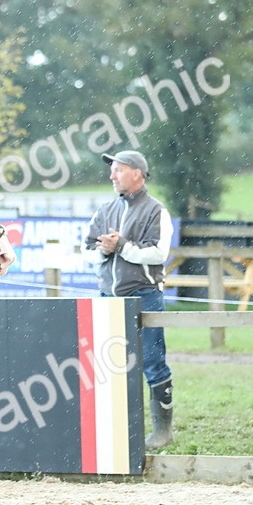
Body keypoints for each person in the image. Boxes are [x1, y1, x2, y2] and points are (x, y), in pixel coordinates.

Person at [82, 149, 175, 450]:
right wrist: (103, 251)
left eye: (118, 170)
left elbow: (158, 253)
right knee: (105, 368)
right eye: (113, 170)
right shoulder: (104, 210)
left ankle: (163, 431)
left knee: (151, 362)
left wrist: (120, 245)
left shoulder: (156, 210)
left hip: (144, 296)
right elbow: (85, 250)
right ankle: (114, 432)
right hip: (107, 298)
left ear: (137, 173)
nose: (112, 175)